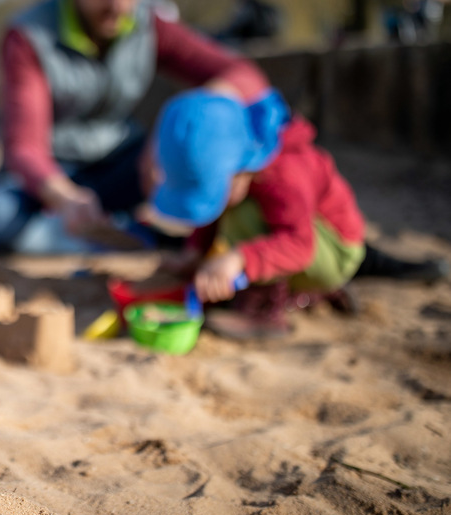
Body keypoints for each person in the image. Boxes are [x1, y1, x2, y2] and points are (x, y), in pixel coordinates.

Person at [0, 0, 270, 254]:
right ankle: (123, 233)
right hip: (52, 174)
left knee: (190, 166)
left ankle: (110, 231)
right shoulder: (27, 37)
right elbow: (24, 148)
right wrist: (65, 196)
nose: (118, 5)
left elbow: (243, 75)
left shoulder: (151, 26)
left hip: (121, 163)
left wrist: (178, 125)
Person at [146, 89, 366, 339]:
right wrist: (195, 252)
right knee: (235, 205)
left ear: (240, 166)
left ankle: (263, 312)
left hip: (333, 251)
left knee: (243, 212)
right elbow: (218, 206)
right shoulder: (243, 167)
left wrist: (238, 259)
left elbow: (300, 244)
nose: (215, 200)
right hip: (303, 246)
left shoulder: (284, 173)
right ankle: (305, 295)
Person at [215, 0, 281, 45]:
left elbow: (236, 26)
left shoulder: (247, 6)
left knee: (219, 38)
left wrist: (219, 32)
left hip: (250, 40)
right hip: (265, 37)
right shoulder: (259, 4)